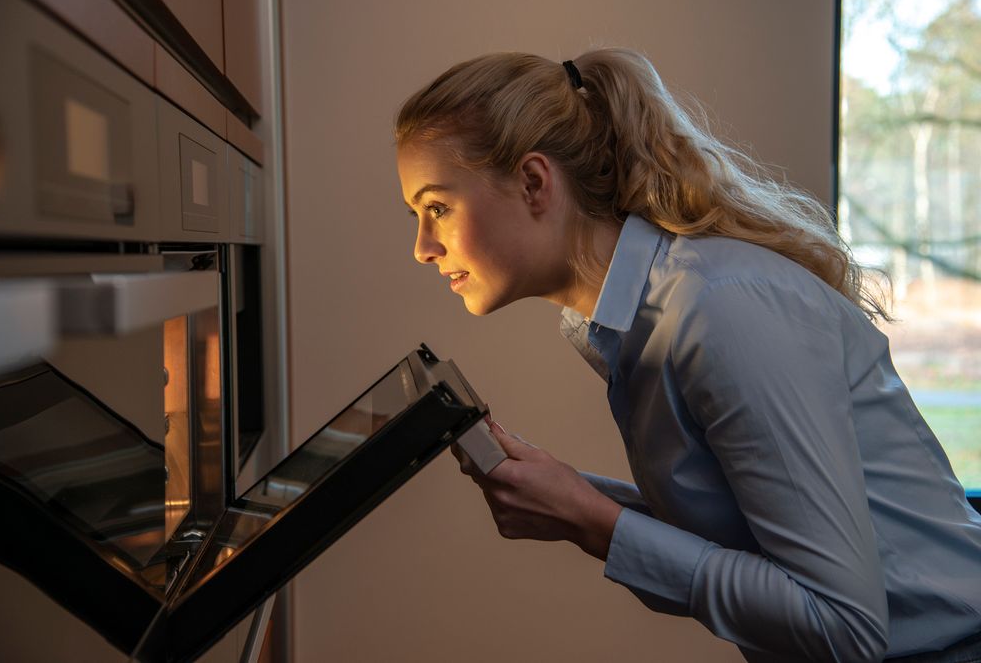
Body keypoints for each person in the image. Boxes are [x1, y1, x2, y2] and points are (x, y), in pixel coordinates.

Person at [394, 48, 981, 663]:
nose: (422, 247)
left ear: (534, 182)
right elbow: (748, 542)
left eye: (438, 208)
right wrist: (576, 499)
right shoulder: (631, 323)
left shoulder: (718, 309)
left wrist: (592, 521)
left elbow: (843, 628)